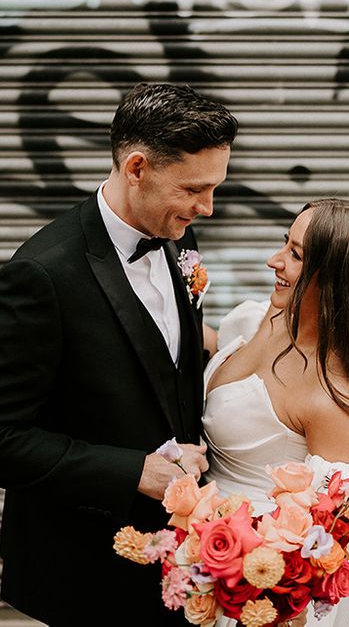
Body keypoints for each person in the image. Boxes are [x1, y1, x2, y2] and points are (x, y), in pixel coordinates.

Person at [0, 82, 238, 626]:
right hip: (88, 567)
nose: (207, 208)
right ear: (136, 168)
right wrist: (134, 471)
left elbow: (156, 357)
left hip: (181, 561)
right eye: (194, 189)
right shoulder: (41, 274)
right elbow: (4, 437)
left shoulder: (177, 236)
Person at [203, 197, 349, 626]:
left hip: (255, 597)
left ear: (334, 279)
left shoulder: (336, 401)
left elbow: (326, 555)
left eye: (295, 255)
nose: (273, 260)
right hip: (205, 563)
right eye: (285, 243)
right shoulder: (269, 318)